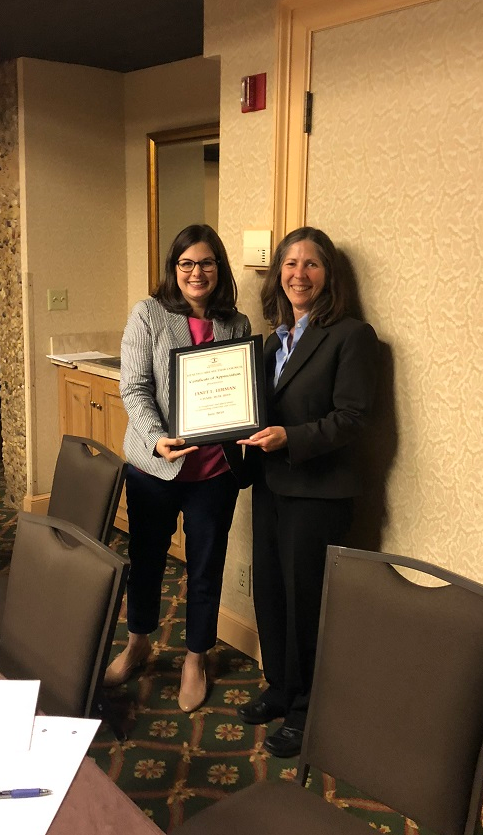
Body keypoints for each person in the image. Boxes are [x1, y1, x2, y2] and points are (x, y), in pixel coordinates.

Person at [237, 226, 378, 756]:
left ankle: (305, 708)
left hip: (318, 494)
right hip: (272, 487)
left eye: (311, 264)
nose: (299, 274)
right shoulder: (274, 339)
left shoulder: (350, 335)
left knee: (306, 604)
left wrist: (289, 438)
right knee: (271, 592)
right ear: (278, 275)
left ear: (329, 275)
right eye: (290, 264)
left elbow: (354, 417)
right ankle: (280, 687)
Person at [104, 224, 251, 713]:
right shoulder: (148, 314)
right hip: (155, 467)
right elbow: (135, 387)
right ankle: (139, 641)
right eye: (186, 263)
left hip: (214, 473)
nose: (196, 272)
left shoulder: (238, 324)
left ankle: (194, 657)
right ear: (174, 269)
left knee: (206, 568)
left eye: (206, 263)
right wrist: (154, 437)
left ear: (219, 269)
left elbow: (240, 393)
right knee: (146, 560)